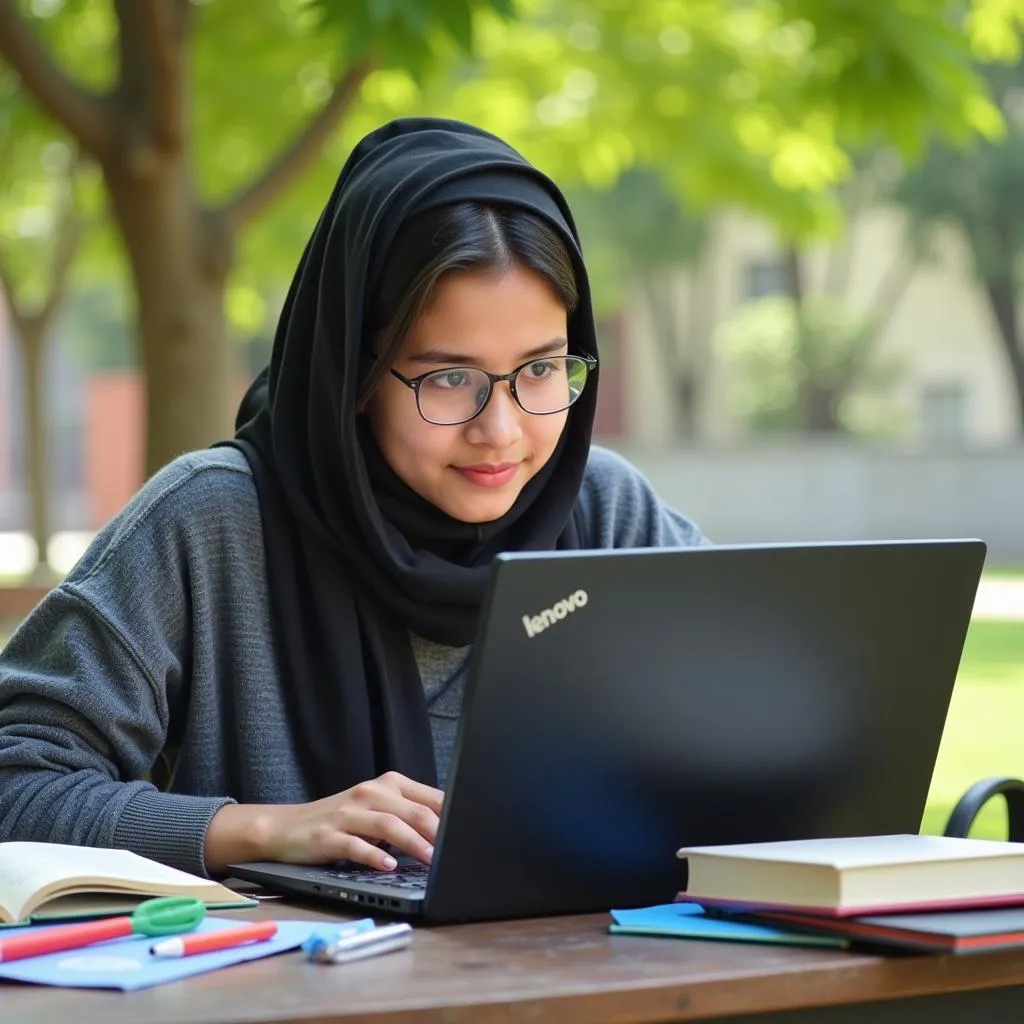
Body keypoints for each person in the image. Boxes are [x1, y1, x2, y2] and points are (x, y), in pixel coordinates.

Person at [0, 118, 707, 879]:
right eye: (447, 378)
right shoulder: (211, 522)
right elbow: (16, 785)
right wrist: (268, 830)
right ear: (354, 375)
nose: (500, 432)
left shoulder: (604, 511)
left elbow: (758, 720)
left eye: (540, 371)